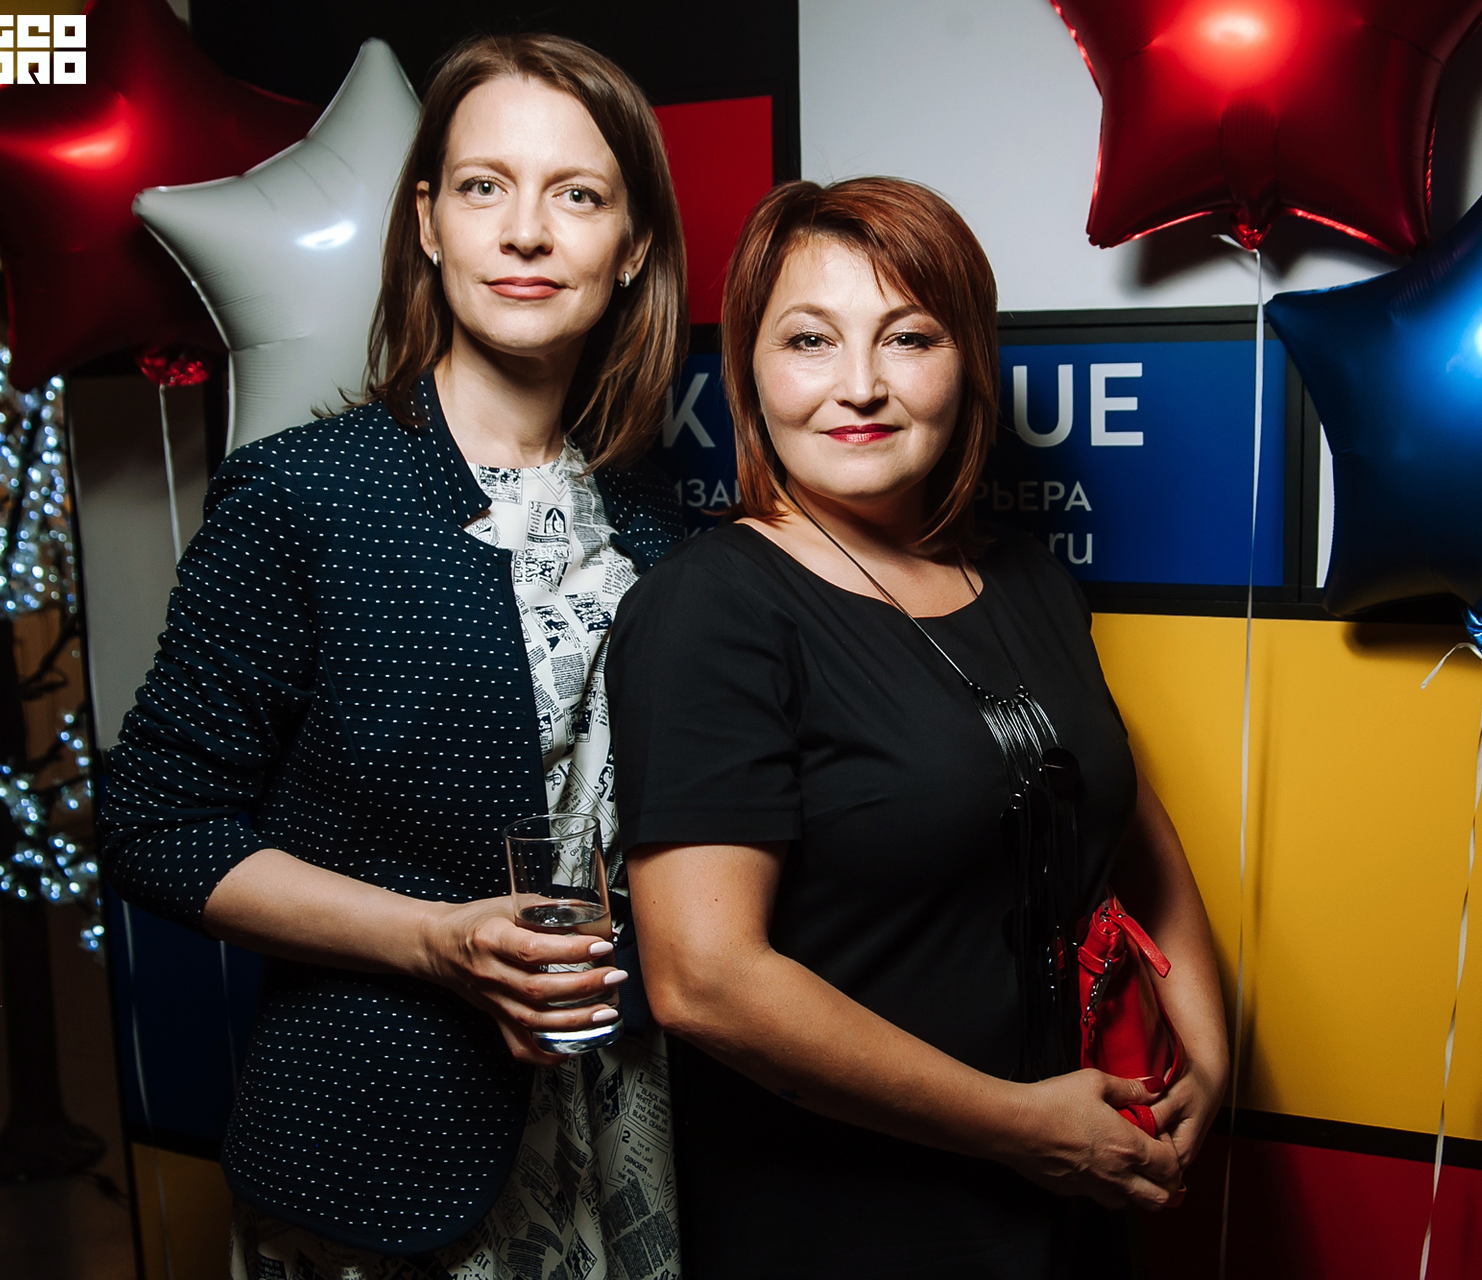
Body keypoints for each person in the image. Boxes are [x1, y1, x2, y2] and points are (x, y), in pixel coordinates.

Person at [99, 33, 688, 1280]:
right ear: (426, 222)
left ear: (633, 245)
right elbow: (155, 820)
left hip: (626, 1120)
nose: (525, 232)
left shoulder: (656, 522)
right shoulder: (302, 496)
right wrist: (436, 940)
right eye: (483, 186)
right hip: (376, 1154)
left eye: (577, 195)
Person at [606, 177, 1231, 1278]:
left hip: (1074, 1196)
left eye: (908, 337)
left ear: (967, 361)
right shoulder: (711, 606)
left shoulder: (1027, 578)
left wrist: (1208, 1052)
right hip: (850, 1223)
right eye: (810, 339)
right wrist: (1022, 1125)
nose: (860, 385)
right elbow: (704, 978)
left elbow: (1124, 818)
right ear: (750, 368)